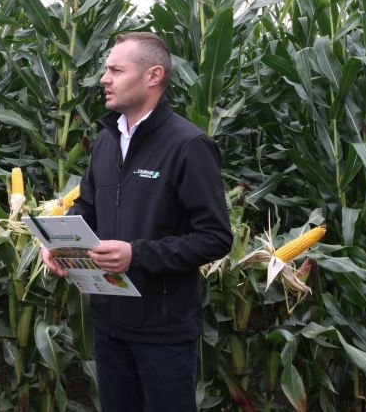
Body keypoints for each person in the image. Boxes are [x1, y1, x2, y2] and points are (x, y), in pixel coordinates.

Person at [41, 32, 232, 412]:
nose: (104, 78)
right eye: (106, 69)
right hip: (108, 323)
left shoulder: (188, 146)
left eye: (115, 69)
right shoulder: (108, 139)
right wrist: (62, 245)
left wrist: (137, 255)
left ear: (153, 75)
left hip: (163, 329)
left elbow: (214, 238)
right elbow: (88, 207)